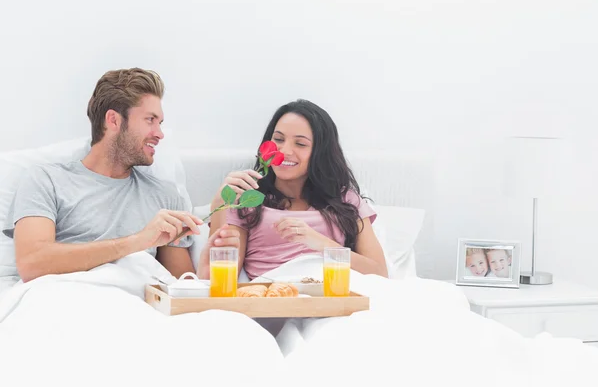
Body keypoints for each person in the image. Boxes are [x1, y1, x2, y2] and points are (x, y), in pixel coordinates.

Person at [2, 68, 239, 283]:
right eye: (150, 120)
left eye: (160, 123)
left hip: (141, 311)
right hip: (68, 305)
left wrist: (205, 276)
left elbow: (180, 290)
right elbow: (32, 263)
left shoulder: (165, 198)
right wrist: (138, 241)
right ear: (113, 120)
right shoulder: (46, 181)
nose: (159, 134)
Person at [201, 99, 388, 280]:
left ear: (320, 152)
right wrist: (220, 202)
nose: (284, 151)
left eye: (300, 144)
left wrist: (319, 242)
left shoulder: (345, 199)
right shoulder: (248, 200)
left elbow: (379, 274)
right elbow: (218, 280)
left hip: (334, 298)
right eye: (278, 139)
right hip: (275, 300)